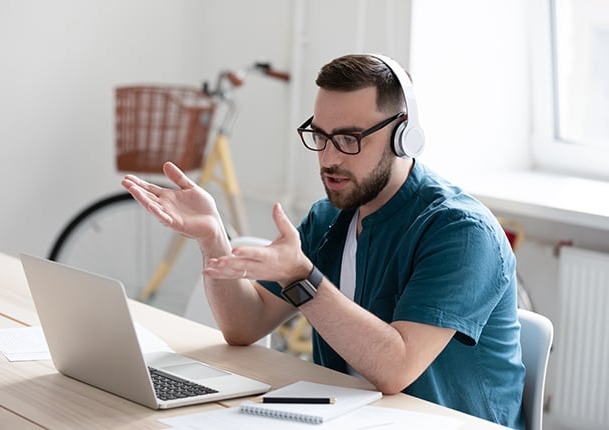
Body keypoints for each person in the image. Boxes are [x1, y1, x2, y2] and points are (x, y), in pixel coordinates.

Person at [121, 53, 525, 429]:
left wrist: (303, 277)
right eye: (320, 135)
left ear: (405, 135)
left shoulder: (461, 232)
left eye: (349, 139)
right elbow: (245, 326)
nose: (329, 158)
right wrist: (212, 237)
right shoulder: (331, 216)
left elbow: (395, 369)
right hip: (346, 416)